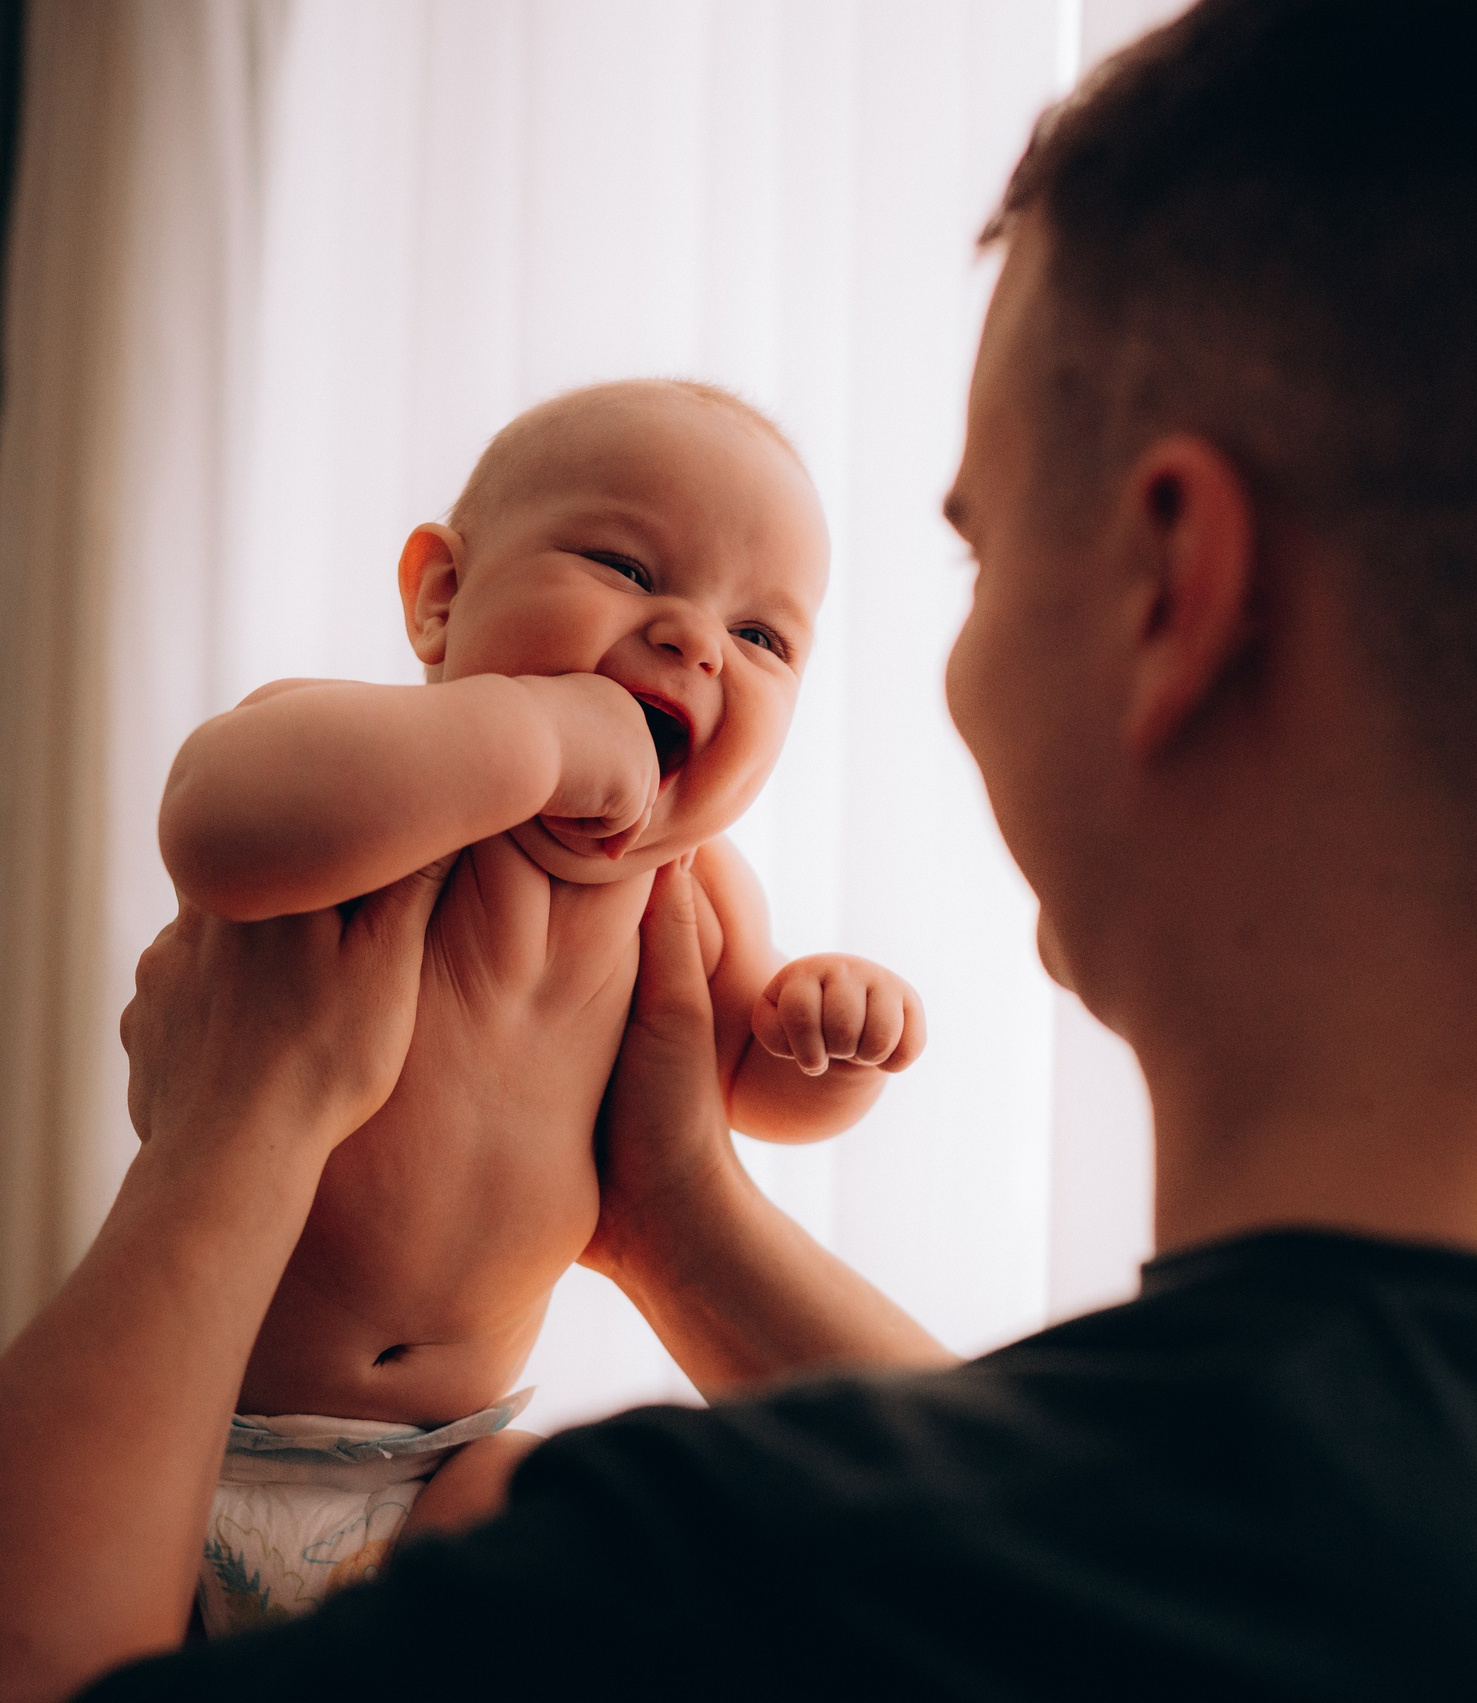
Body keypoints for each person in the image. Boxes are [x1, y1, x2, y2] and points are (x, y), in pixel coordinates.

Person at [0, 1, 1477, 1698]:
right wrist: (680, 1211)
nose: (931, 665)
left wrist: (229, 1137)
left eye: (973, 549)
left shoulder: (694, 1586)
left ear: (1170, 589)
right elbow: (1121, 1520)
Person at [147, 378, 923, 1629]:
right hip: (186, 1431)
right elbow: (211, 822)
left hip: (442, 1467)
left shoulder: (697, 893)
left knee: (564, 1508)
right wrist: (533, 733)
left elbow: (751, 1090)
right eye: (626, 566)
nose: (694, 639)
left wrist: (831, 1039)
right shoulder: (369, 776)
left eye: (762, 636)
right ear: (440, 597)